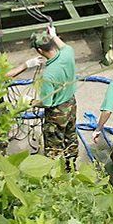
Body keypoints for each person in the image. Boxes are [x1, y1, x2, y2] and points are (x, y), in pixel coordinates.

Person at [30, 26, 78, 172]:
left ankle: (57, 174)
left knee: (54, 146)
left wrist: (30, 102)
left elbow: (46, 102)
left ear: (39, 51)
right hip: (71, 104)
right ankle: (71, 166)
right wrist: (54, 34)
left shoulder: (49, 75)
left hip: (56, 113)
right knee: (70, 136)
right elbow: (62, 45)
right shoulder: (68, 53)